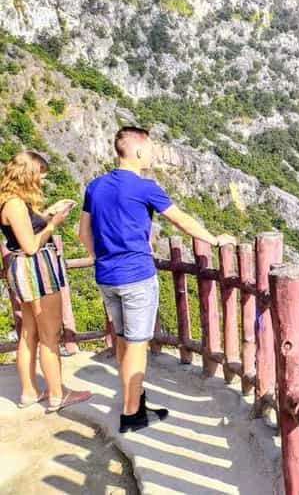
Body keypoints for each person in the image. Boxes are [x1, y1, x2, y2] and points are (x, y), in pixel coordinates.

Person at [79, 127, 236, 433]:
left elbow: (83, 234)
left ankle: (134, 398)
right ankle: (132, 414)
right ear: (137, 151)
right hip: (136, 276)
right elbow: (181, 219)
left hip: (106, 276)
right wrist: (215, 240)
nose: (152, 154)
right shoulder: (144, 187)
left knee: (124, 340)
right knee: (137, 346)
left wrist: (104, 257)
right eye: (149, 149)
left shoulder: (95, 186)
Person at [0, 151, 92, 412]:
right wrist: (54, 225)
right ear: (28, 174)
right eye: (39, 175)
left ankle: (29, 392)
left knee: (28, 333)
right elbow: (29, 245)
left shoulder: (9, 201)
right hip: (36, 268)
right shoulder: (15, 205)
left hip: (24, 270)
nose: (41, 181)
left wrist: (49, 213)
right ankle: (56, 394)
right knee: (50, 335)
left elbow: (27, 228)